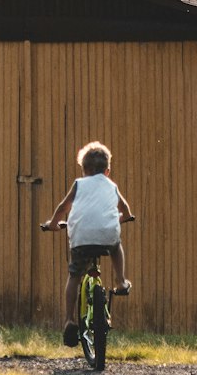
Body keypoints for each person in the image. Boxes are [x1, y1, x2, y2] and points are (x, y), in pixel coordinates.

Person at [40, 140, 135, 347]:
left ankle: (69, 320)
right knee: (116, 245)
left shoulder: (79, 184)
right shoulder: (112, 186)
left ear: (83, 170)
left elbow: (64, 206)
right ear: (107, 171)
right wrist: (123, 218)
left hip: (81, 238)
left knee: (74, 276)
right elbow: (125, 209)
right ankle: (120, 280)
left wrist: (54, 224)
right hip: (107, 234)